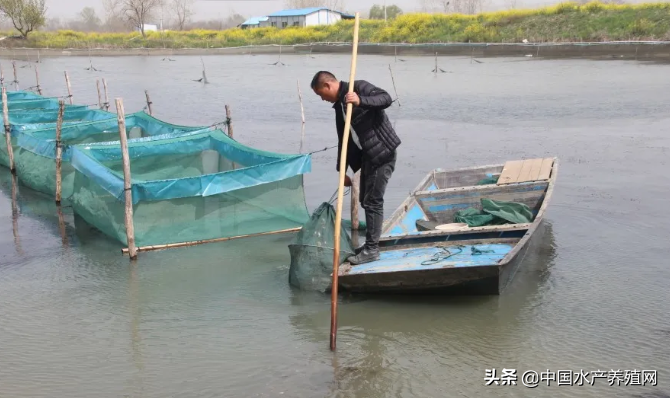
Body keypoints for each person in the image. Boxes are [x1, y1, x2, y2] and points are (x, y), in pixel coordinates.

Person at [310, 70, 401, 265]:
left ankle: (372, 250)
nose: (322, 99)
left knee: (373, 201)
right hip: (368, 156)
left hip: (383, 153)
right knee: (364, 199)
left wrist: (361, 101)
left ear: (328, 86)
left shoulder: (358, 87)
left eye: (320, 94)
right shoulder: (339, 107)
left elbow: (386, 98)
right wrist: (342, 171)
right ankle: (370, 245)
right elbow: (344, 140)